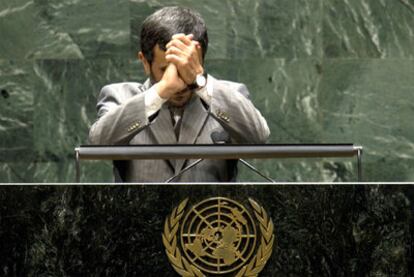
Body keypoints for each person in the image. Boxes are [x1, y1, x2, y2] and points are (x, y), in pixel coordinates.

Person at [89, 6, 270, 182]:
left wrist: (201, 83)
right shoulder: (120, 96)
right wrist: (162, 90)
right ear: (145, 62)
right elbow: (98, 142)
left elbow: (258, 138)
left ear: (200, 60)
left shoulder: (228, 96)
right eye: (165, 70)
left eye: (187, 68)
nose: (179, 83)